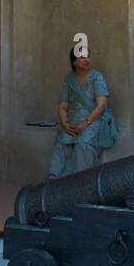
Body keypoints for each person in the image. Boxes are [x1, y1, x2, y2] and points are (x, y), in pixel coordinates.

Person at [48, 43, 111, 177]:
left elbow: (101, 105)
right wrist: (64, 123)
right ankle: (56, 186)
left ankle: (82, 186)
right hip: (71, 123)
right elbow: (63, 106)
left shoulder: (96, 77)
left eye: (88, 57)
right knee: (62, 144)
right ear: (74, 61)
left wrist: (84, 124)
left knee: (83, 144)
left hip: (92, 121)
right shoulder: (68, 79)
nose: (87, 60)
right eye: (82, 57)